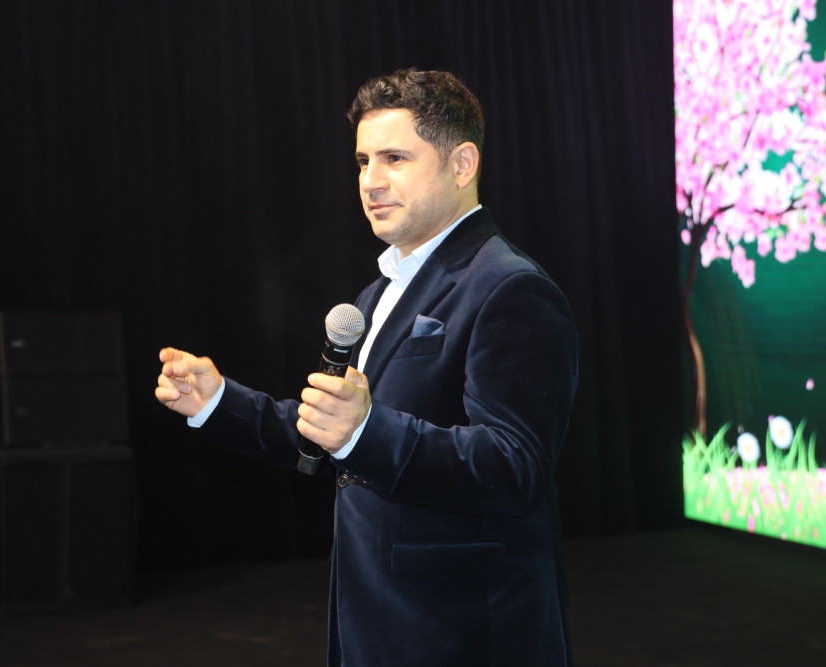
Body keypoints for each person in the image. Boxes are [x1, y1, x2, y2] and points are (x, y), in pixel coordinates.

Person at [156, 68, 579, 667]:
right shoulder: (378, 294)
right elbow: (328, 429)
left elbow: (514, 467)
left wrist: (366, 431)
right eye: (362, 161)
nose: (370, 181)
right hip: (375, 623)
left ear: (462, 165)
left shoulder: (510, 288)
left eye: (395, 159)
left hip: (462, 634)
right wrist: (219, 402)